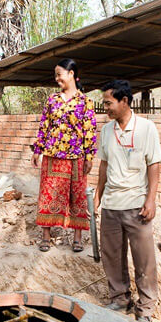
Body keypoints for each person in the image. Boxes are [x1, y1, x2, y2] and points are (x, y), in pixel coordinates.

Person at [95, 79, 161, 322]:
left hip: (136, 204)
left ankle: (145, 309)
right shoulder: (106, 131)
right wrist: (98, 196)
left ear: (124, 101)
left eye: (109, 103)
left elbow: (154, 165)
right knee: (112, 256)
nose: (106, 108)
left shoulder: (146, 128)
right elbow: (103, 164)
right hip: (112, 204)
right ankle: (120, 298)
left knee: (143, 259)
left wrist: (151, 200)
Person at [32, 58, 97, 252]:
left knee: (77, 197)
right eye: (55, 75)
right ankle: (46, 235)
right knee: (48, 194)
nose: (57, 79)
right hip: (53, 155)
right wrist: (37, 150)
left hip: (77, 157)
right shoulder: (52, 100)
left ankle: (77, 238)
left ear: (71, 74)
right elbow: (44, 126)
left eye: (59, 74)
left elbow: (90, 130)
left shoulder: (85, 102)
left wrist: (89, 156)